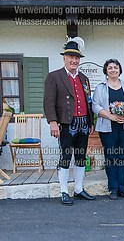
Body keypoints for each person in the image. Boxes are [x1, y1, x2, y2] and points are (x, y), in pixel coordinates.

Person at [43, 37, 95, 205]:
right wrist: (52, 121)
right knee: (65, 156)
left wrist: (90, 121)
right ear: (64, 58)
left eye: (77, 57)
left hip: (83, 123)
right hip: (66, 123)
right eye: (71, 57)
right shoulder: (54, 76)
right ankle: (64, 191)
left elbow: (88, 102)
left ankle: (79, 189)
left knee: (80, 157)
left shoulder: (84, 78)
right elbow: (48, 101)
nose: (74, 60)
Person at [92, 59, 124, 200]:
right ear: (106, 70)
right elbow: (95, 106)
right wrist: (111, 116)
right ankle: (113, 189)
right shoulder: (100, 88)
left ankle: (123, 188)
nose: (113, 70)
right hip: (107, 127)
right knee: (111, 157)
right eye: (110, 68)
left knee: (123, 157)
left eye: (115, 67)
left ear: (119, 70)